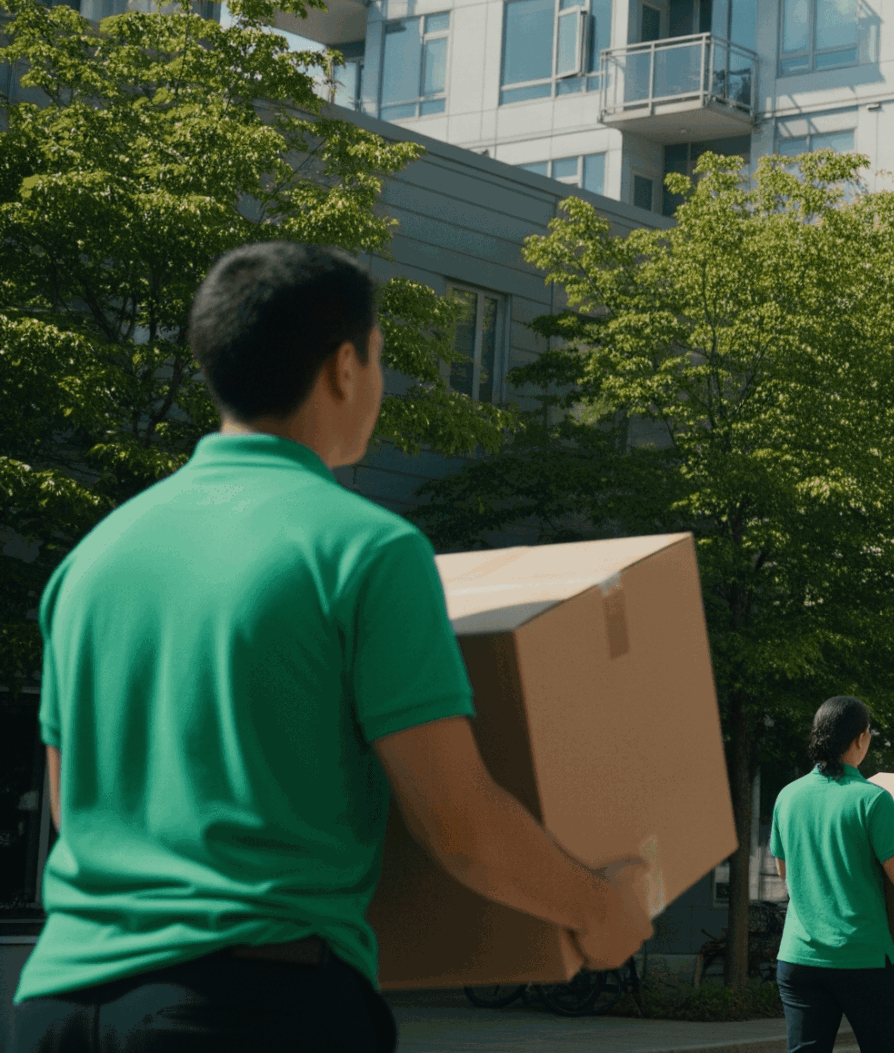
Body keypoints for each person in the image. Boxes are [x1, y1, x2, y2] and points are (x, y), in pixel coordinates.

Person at [11, 241, 653, 1052]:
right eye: (381, 360)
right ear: (346, 367)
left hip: (57, 1004)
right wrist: (604, 913)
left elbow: (78, 810)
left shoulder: (93, 560)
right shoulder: (365, 550)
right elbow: (457, 825)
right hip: (250, 1007)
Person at [768, 695, 894, 1053]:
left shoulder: (788, 796)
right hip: (863, 958)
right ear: (860, 739)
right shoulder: (871, 799)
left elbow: (784, 872)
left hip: (799, 958)